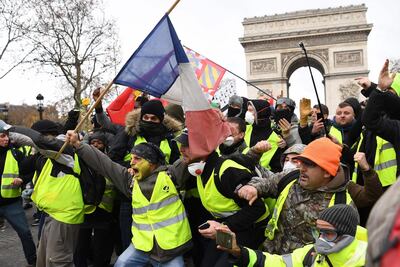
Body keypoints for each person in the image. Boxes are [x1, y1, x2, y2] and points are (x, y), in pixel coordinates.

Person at [66, 131, 192, 267]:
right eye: (131, 158)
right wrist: (78, 145)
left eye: (137, 158)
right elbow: (104, 164)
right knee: (121, 264)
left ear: (151, 163)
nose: (131, 163)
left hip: (171, 250)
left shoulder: (171, 176)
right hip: (142, 247)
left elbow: (190, 156)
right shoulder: (129, 181)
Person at [238, 137, 358, 254]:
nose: (302, 168)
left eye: (310, 164)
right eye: (302, 162)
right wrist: (254, 188)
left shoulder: (343, 207)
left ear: (327, 172)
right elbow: (267, 183)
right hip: (270, 255)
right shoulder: (291, 177)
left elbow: (340, 251)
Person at [218, 204, 366, 267]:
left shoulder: (370, 260)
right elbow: (278, 263)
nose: (320, 239)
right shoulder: (311, 253)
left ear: (347, 236)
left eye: (328, 234)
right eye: (318, 232)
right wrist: (238, 252)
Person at [74, 131, 116, 267]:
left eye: (99, 143)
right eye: (93, 143)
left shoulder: (109, 161)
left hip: (104, 210)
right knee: (81, 244)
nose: (96, 145)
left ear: (105, 145)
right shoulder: (83, 160)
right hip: (86, 210)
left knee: (101, 246)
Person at [0, 120, 36, 266]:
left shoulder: (16, 152)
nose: (6, 138)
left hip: (12, 203)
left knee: (25, 233)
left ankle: (33, 260)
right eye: (2, 136)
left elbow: (29, 171)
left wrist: (22, 178)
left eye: (7, 135)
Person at [245, 99, 282, 171]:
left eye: (251, 110)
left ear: (260, 112)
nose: (247, 113)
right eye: (247, 110)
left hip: (260, 178)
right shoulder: (245, 129)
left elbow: (276, 168)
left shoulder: (276, 139)